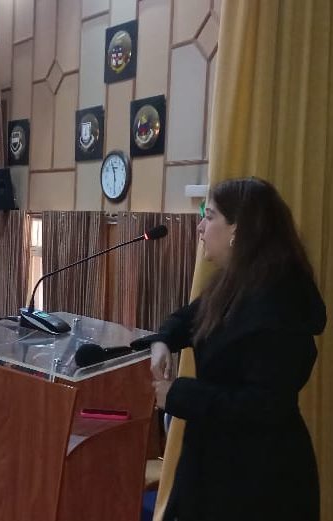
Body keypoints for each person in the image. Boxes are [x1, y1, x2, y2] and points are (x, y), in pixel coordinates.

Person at [138, 178, 326, 521]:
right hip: (217, 464)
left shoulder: (277, 302)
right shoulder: (238, 282)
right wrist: (162, 340)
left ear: (238, 230)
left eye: (209, 217)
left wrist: (178, 394)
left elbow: (262, 405)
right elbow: (189, 318)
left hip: (258, 481)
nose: (200, 227)